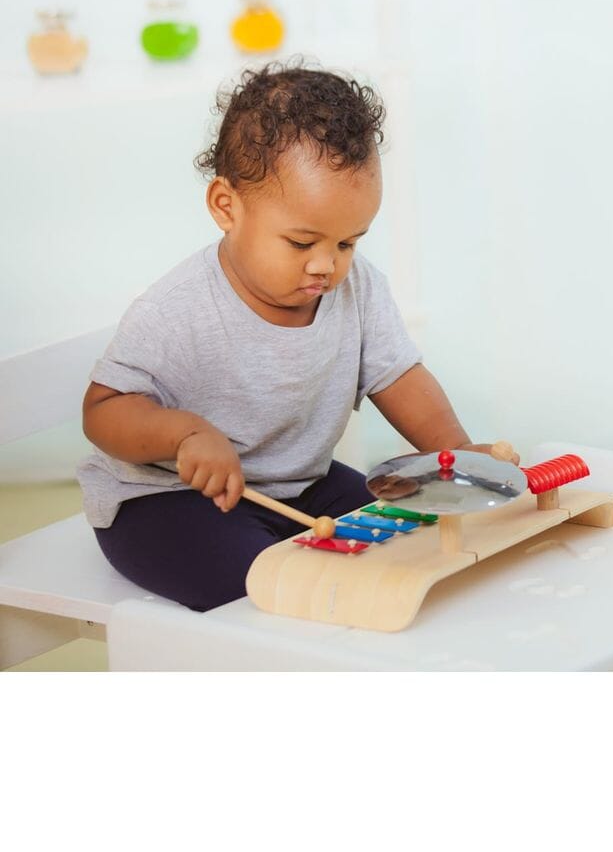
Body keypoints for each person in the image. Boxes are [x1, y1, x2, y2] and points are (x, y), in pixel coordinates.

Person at [77, 63, 515, 612]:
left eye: (348, 243)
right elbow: (103, 409)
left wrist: (453, 452)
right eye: (301, 242)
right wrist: (184, 435)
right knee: (269, 581)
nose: (326, 266)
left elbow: (398, 375)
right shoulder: (177, 309)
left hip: (303, 484)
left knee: (415, 534)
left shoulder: (356, 288)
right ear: (226, 207)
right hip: (166, 503)